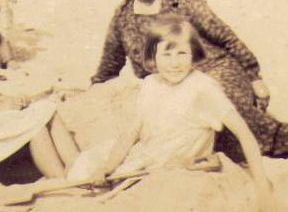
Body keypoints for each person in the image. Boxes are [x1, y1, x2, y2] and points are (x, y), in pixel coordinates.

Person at [50, 15, 275, 212]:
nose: (175, 63)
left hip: (176, 171)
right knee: (85, 172)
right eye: (166, 55)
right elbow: (131, 133)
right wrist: (107, 167)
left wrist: (262, 185)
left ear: (193, 55)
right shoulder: (151, 84)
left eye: (182, 53)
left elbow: (244, 134)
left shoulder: (202, 88)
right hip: (142, 159)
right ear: (152, 59)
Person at [91, 0, 288, 162]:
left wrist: (254, 77)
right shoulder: (122, 17)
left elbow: (225, 37)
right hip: (167, 82)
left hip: (214, 69)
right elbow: (110, 64)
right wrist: (93, 89)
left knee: (219, 103)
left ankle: (278, 143)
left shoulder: (184, 1)